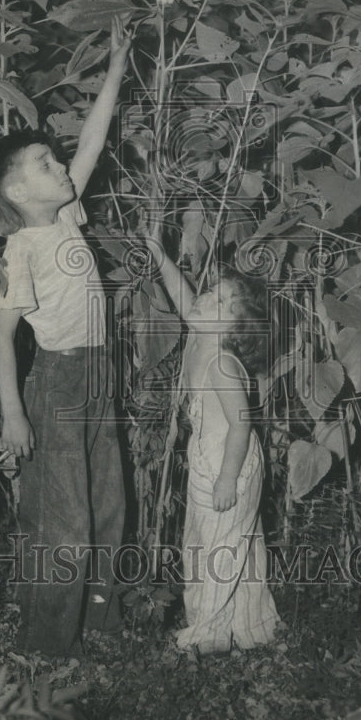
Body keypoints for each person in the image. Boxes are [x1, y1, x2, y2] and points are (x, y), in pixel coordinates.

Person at [0, 16, 131, 659]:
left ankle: (100, 629)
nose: (62, 165)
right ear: (17, 191)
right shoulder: (21, 248)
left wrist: (117, 68)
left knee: (108, 505)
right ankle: (44, 646)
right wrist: (13, 414)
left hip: (99, 372)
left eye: (56, 158)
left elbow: (91, 146)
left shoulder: (66, 214)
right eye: (46, 163)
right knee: (63, 522)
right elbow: (2, 334)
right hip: (59, 382)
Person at [144, 221, 281, 654]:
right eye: (210, 291)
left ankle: (207, 633)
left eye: (220, 301)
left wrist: (226, 478)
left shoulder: (223, 363)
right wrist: (162, 256)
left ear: (238, 328)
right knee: (209, 542)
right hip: (210, 459)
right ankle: (247, 626)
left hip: (232, 465)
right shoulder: (203, 334)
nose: (205, 298)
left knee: (222, 548)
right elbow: (186, 299)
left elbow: (242, 425)